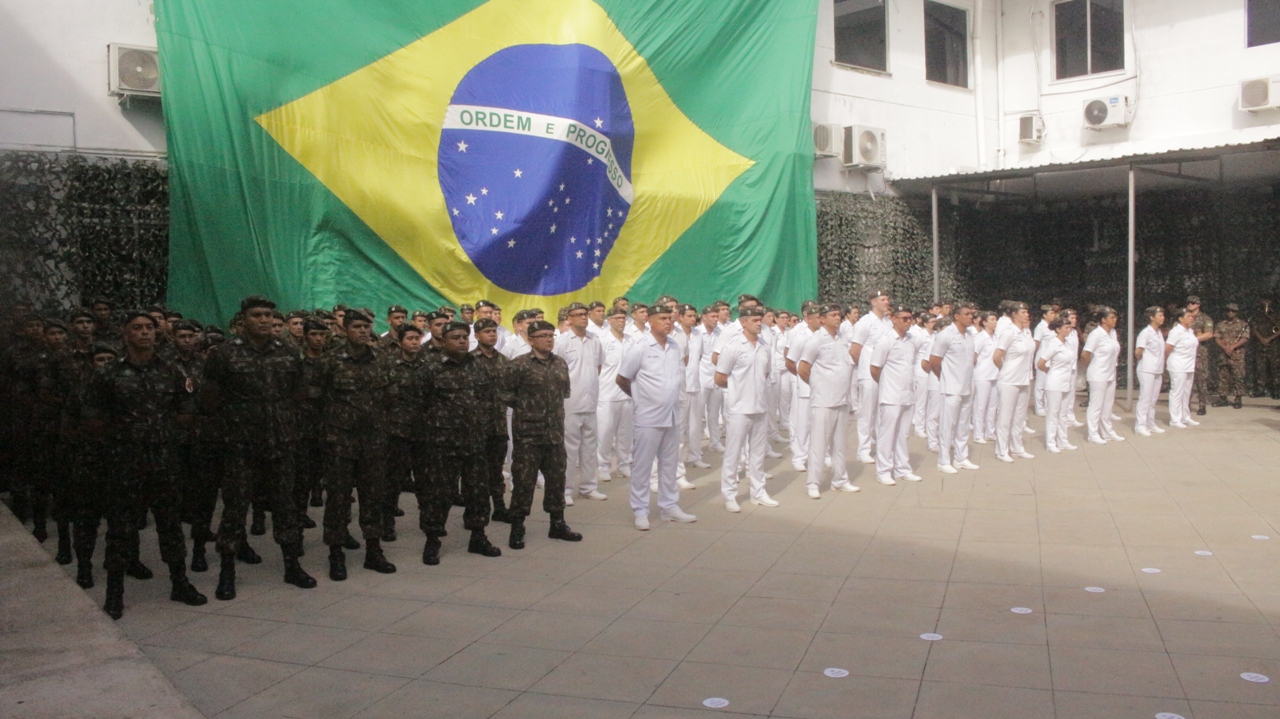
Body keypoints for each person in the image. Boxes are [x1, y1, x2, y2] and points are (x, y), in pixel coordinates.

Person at [82, 310, 207, 620]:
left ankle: (180, 582)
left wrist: (161, 435)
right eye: (137, 328)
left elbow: (186, 412)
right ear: (126, 334)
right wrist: (125, 439)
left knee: (170, 525)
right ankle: (115, 593)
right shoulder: (108, 374)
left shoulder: (172, 371)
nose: (144, 332)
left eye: (149, 327)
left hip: (164, 461)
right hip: (124, 462)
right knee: (120, 529)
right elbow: (95, 419)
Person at [202, 296, 316, 600]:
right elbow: (211, 400)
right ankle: (227, 571)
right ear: (243, 319)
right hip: (240, 445)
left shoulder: (289, 352)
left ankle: (292, 566)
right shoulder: (225, 354)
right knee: (236, 508)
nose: (264, 320)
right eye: (256, 315)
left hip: (280, 443)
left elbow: (299, 394)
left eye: (268, 315)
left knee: (285, 506)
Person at [313, 309, 395, 581]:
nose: (362, 330)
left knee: (373, 497)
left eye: (366, 326)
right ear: (345, 329)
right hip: (340, 442)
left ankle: (374, 550)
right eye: (357, 326)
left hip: (373, 442)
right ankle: (336, 553)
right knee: (338, 499)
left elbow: (389, 396)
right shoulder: (330, 360)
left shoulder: (381, 359)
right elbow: (316, 399)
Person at [419, 322, 502, 564]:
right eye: (455, 337)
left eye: (465, 337)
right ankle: (433, 540)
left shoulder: (478, 366)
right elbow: (419, 403)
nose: (462, 341)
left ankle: (478, 536)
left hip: (474, 442)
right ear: (444, 341)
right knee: (440, 494)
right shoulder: (431, 368)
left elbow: (486, 399)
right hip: (443, 444)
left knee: (477, 493)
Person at [503, 320, 583, 548]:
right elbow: (506, 394)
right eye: (543, 336)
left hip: (555, 435)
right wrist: (528, 408)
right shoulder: (518, 365)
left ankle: (557, 524)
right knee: (524, 483)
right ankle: (517, 527)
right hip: (528, 436)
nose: (549, 339)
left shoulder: (559, 364)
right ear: (531, 340)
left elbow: (564, 392)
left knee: (557, 481)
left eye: (551, 335)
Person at [617, 303, 697, 530]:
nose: (668, 322)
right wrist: (641, 399)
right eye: (662, 318)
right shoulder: (640, 347)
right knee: (643, 465)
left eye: (670, 318)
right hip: (648, 416)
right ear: (650, 321)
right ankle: (640, 509)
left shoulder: (674, 346)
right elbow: (622, 378)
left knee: (670, 464)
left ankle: (669, 506)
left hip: (672, 414)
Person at [714, 306, 775, 511]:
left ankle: (759, 492)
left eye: (760, 319)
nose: (759, 323)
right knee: (733, 453)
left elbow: (765, 373)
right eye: (755, 320)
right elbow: (720, 377)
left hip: (760, 406)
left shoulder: (765, 346)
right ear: (743, 322)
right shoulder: (733, 346)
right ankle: (729, 494)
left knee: (757, 454)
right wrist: (737, 390)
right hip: (739, 408)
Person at [798, 303, 858, 497]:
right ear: (822, 319)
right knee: (819, 444)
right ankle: (813, 483)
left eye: (839, 314)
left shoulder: (842, 339)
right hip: (823, 400)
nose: (838, 318)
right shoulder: (815, 340)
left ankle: (840, 479)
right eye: (833, 315)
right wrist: (818, 385)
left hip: (841, 398)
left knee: (840, 444)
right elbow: (803, 368)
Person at [555, 303, 605, 504]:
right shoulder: (563, 342)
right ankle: (565, 489)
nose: (583, 318)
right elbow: (557, 373)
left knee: (590, 447)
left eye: (585, 314)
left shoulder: (595, 340)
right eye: (578, 315)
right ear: (569, 318)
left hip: (591, 401)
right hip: (570, 403)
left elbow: (598, 367)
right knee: (569, 449)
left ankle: (588, 486)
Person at [382, 323, 427, 541]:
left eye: (417, 338)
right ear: (400, 342)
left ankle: (428, 522)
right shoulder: (388, 365)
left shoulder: (428, 365)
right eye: (409, 339)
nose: (414, 342)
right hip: (396, 431)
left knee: (426, 480)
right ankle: (387, 523)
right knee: (392, 481)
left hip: (422, 431)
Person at [869, 305, 920, 485]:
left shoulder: (912, 340)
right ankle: (883, 470)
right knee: (886, 434)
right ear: (894, 319)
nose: (908, 322)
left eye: (910, 318)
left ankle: (902, 468)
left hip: (907, 393)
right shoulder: (886, 340)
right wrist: (885, 385)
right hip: (891, 395)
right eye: (904, 318)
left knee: (903, 434)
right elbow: (875, 368)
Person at [470, 318, 512, 521]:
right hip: (477, 427)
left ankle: (500, 507)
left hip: (498, 426)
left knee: (496, 470)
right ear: (477, 335)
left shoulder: (503, 360)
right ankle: (476, 511)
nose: (492, 335)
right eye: (487, 331)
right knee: (475, 473)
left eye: (494, 331)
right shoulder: (469, 361)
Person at [930, 303, 979, 473]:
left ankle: (961, 457)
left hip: (967, 385)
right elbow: (934, 360)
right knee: (947, 425)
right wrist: (943, 377)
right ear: (956, 316)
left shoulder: (971, 334)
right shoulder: (946, 335)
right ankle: (943, 461)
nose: (970, 317)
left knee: (964, 424)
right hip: (951, 387)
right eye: (966, 314)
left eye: (971, 314)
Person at [850, 290, 893, 465]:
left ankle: (884, 448)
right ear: (873, 302)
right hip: (868, 374)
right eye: (883, 299)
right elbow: (854, 350)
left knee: (883, 413)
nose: (887, 302)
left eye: (887, 299)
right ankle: (864, 450)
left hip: (886, 374)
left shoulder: (889, 323)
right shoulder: (864, 323)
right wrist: (865, 366)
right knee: (866, 413)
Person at [992, 302, 1036, 462]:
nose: (1026, 315)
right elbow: (997, 356)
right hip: (1009, 379)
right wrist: (1005, 370)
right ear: (1014, 314)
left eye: (1027, 312)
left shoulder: (1026, 332)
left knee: (1019, 416)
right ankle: (1002, 450)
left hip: (1025, 379)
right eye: (1023, 312)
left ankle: (1017, 447)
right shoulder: (1009, 332)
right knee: (1005, 416)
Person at [597, 306, 634, 481]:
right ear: (609, 320)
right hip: (607, 394)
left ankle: (624, 465)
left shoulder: (631, 340)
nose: (621, 321)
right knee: (605, 433)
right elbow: (596, 367)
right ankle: (603, 466)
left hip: (627, 394)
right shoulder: (602, 340)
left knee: (625, 434)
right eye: (617, 318)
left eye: (623, 318)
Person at [785, 304, 821, 470]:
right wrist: (803, 378)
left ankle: (823, 454)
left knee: (821, 423)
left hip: (823, 387)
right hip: (806, 386)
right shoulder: (801, 337)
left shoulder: (825, 336)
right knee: (804, 423)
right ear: (808, 319)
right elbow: (791, 362)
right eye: (816, 317)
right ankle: (799, 458)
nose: (820, 320)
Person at [1081, 306, 1124, 444]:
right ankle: (1092, 434)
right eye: (1111, 317)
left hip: (1110, 373)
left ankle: (1107, 431)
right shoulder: (1096, 334)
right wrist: (1091, 367)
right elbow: (1085, 354)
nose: (1114, 320)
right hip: (1098, 373)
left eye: (1115, 317)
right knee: (1096, 405)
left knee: (1107, 405)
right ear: (1103, 320)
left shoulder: (1112, 333)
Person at [1037, 317, 1078, 452]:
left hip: (1066, 381)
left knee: (1063, 413)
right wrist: (1050, 371)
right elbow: (1041, 363)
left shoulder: (1067, 343)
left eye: (1069, 327)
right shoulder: (1053, 343)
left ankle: (1063, 440)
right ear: (1058, 329)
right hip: (1054, 381)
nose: (1069, 329)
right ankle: (1050, 442)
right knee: (1053, 413)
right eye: (1066, 327)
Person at [692, 305, 723, 458]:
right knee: (697, 414)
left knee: (714, 412)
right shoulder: (697, 333)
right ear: (704, 317)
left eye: (717, 317)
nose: (715, 320)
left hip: (715, 376)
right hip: (701, 377)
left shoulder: (720, 333)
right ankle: (695, 447)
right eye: (712, 317)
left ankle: (715, 442)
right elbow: (695, 357)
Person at [1134, 306, 1167, 436]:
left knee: (1153, 399)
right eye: (1159, 315)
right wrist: (1145, 360)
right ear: (1151, 317)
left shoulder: (1159, 333)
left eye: (1163, 315)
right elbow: (1138, 351)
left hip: (1157, 369)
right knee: (1145, 398)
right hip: (1146, 369)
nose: (1162, 318)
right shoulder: (1146, 333)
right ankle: (1140, 426)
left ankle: (1150, 423)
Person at [1166, 308, 1200, 428]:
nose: (1191, 318)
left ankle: (1185, 417)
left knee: (1186, 392)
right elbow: (1168, 348)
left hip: (1189, 365)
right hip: (1178, 365)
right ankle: (1175, 419)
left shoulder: (1190, 331)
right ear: (1180, 319)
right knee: (1177, 392)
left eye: (1192, 316)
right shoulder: (1176, 332)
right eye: (1188, 316)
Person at [971, 311, 999, 443]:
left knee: (993, 405)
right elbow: (973, 356)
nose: (995, 322)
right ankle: (978, 433)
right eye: (992, 319)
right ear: (984, 322)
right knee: (981, 405)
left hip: (995, 374)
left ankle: (990, 431)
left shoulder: (996, 337)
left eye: (996, 319)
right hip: (982, 375)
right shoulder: (980, 337)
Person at [1214, 303, 1249, 409]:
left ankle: (1238, 398)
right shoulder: (1220, 324)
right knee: (1223, 376)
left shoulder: (1243, 324)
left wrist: (1233, 346)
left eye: (1233, 311)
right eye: (1228, 310)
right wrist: (1225, 347)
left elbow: (1245, 338)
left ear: (1237, 312)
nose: (1230, 313)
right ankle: (1222, 398)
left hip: (1237, 355)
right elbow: (1217, 337)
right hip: (1224, 354)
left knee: (1238, 377)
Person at [1187, 296, 1214, 416]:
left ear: (1198, 305)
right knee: (1186, 381)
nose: (1190, 305)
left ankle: (1202, 405)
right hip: (1185, 354)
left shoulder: (1205, 318)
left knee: (1201, 381)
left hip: (1200, 354)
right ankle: (1185, 404)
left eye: (1193, 303)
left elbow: (1209, 334)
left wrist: (1192, 339)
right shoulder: (1184, 317)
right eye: (1188, 303)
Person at [1032, 305, 1059, 417]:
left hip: (1051, 359)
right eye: (1051, 313)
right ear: (1044, 315)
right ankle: (1039, 407)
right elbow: (1036, 343)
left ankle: (1048, 406)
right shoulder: (1041, 327)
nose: (1054, 315)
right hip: (1042, 358)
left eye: (1054, 313)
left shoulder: (1053, 327)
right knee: (1040, 385)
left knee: (1049, 384)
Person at [1251, 297, 1280, 399]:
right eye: (1264, 301)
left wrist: (1269, 339)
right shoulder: (1257, 315)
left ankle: (1276, 390)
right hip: (1260, 345)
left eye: (1268, 301)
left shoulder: (1276, 314)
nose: (1266, 303)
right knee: (1260, 368)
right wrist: (1262, 339)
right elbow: (1253, 328)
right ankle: (1260, 390)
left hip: (1273, 346)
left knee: (1275, 368)